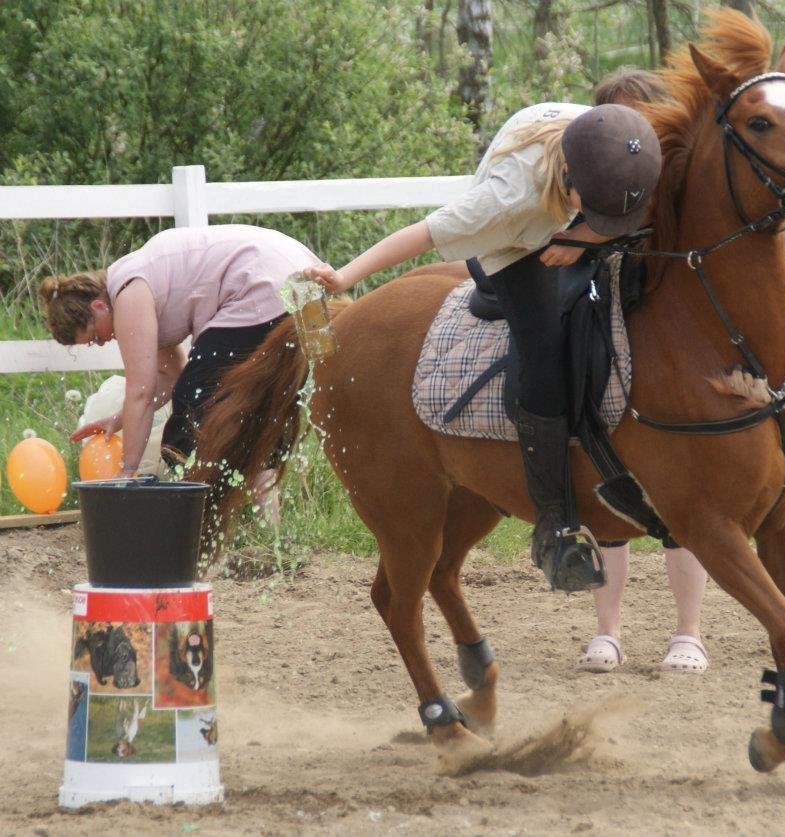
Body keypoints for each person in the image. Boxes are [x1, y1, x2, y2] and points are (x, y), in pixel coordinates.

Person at [308, 101, 661, 595]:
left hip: (573, 186)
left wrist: (586, 234)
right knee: (543, 354)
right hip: (516, 246)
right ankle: (555, 524)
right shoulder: (503, 204)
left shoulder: (620, 142)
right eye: (593, 207)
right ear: (568, 180)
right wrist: (344, 276)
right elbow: (423, 235)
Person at [38, 224, 322, 522]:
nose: (102, 341)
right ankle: (268, 525)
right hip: (305, 279)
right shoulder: (141, 284)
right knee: (261, 412)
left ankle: (196, 526)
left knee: (191, 413)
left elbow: (141, 392)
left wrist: (126, 473)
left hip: (261, 284)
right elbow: (171, 376)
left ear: (98, 306)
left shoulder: (127, 293)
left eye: (95, 335)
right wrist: (119, 419)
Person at [575, 69, 709, 675]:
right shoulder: (588, 166)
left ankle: (689, 632)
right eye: (615, 118)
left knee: (684, 497)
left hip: (663, 322)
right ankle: (608, 631)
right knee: (608, 492)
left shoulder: (678, 177)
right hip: (608, 305)